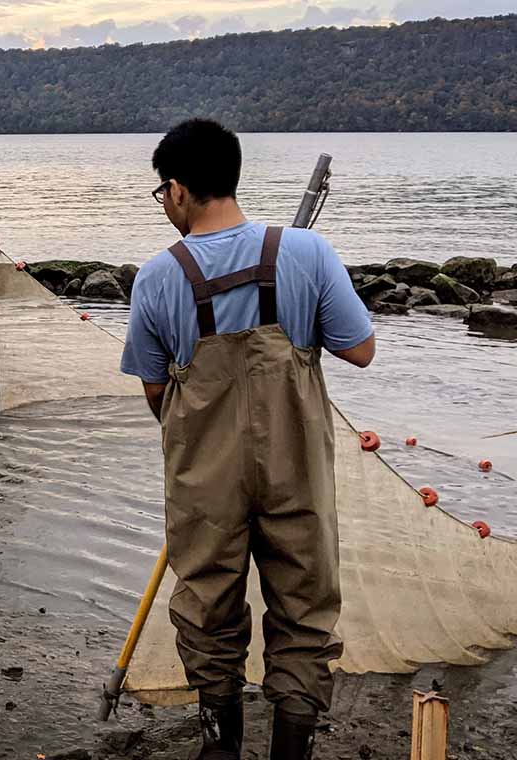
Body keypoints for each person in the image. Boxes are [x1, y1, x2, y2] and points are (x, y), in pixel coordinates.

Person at [120, 120, 375, 760]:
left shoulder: (156, 277)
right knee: (305, 609)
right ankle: (292, 749)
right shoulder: (307, 253)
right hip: (298, 471)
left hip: (204, 478)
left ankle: (220, 745)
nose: (165, 203)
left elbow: (156, 392)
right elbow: (360, 349)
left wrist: (201, 439)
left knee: (207, 605)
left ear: (177, 190)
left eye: (162, 192)